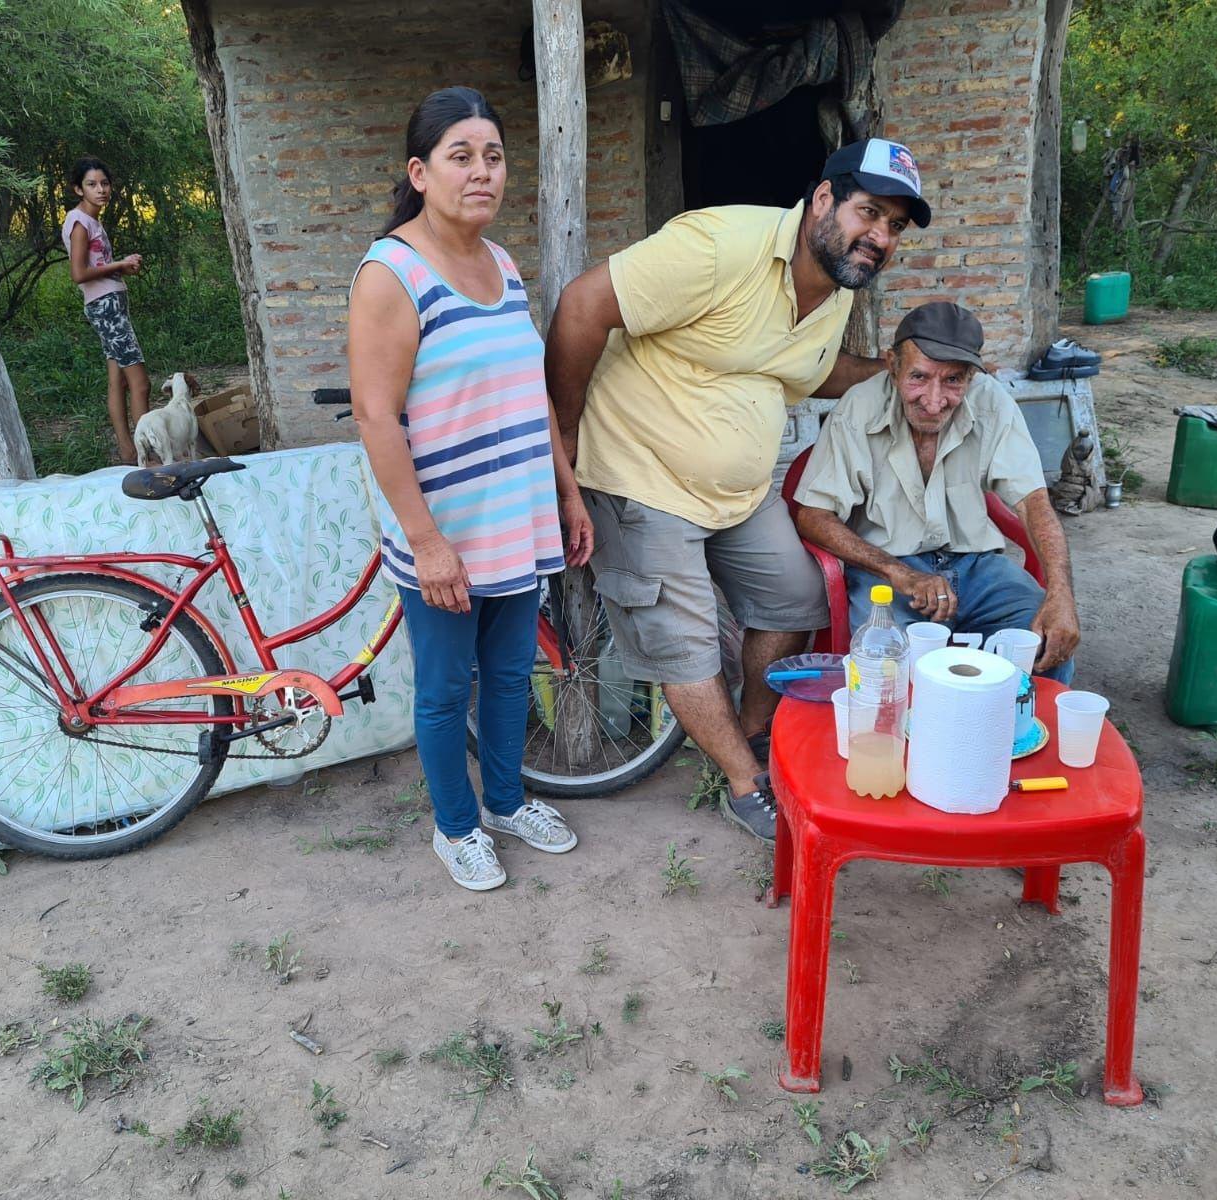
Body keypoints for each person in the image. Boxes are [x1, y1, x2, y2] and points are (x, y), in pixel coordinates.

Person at [546, 139, 931, 842]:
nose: (879, 237)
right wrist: (563, 438)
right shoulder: (720, 246)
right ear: (823, 199)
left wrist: (893, 371)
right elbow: (581, 307)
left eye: (895, 226)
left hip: (739, 494)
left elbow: (805, 372)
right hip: (644, 479)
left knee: (796, 599)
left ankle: (751, 733)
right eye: (869, 213)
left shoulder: (834, 289)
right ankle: (745, 781)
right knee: (687, 646)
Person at [348, 87, 593, 892]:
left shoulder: (503, 264)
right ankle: (456, 827)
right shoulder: (392, 273)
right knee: (449, 688)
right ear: (420, 172)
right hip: (444, 533)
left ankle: (508, 802)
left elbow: (530, 399)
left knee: (514, 674)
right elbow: (378, 419)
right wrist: (426, 543)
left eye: (492, 156)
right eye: (461, 156)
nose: (482, 171)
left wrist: (567, 493)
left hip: (517, 524)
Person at [793, 301, 1080, 683]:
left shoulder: (992, 403)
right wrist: (898, 572)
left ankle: (1022, 739)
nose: (933, 401)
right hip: (888, 574)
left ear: (971, 378)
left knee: (1044, 646)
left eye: (953, 381)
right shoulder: (858, 409)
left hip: (978, 568)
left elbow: (1034, 503)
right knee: (891, 670)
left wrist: (1060, 595)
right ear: (892, 365)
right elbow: (813, 515)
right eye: (918, 377)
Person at [61, 157, 148, 465]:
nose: (101, 190)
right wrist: (120, 265)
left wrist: (121, 269)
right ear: (77, 189)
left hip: (109, 304)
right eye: (92, 184)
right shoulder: (80, 223)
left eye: (105, 183)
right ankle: (148, 455)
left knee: (119, 380)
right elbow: (79, 273)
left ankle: (129, 452)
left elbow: (97, 269)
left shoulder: (91, 221)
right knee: (140, 382)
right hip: (106, 307)